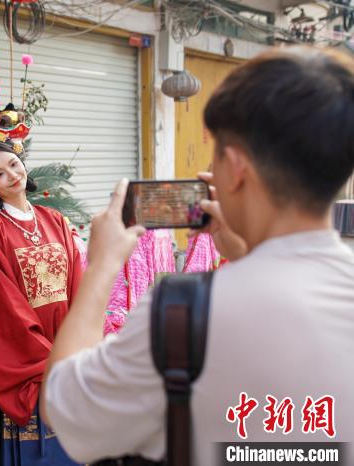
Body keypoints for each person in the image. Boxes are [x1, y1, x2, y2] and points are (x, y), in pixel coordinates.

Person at [41, 46, 354, 465]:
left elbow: (68, 408)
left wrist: (101, 268)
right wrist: (247, 254)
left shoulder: (184, 312)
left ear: (236, 167)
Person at [0, 137, 84, 465]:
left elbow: (76, 281)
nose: (12, 175)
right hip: (27, 359)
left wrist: (75, 342)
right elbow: (3, 305)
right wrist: (49, 357)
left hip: (67, 345)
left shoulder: (54, 219)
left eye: (13, 165)